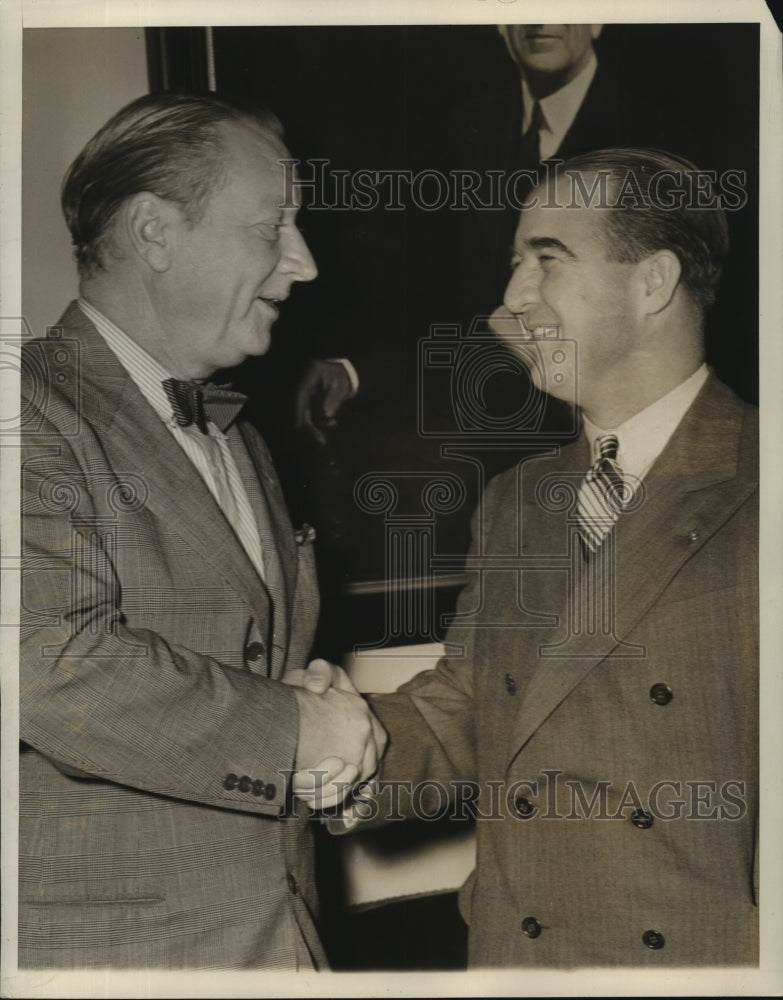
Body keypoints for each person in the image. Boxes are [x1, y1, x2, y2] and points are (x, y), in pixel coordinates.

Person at [328, 148, 758, 967]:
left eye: (546, 261)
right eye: (513, 263)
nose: (512, 298)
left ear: (651, 281)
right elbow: (466, 714)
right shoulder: (518, 498)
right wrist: (319, 744)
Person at [19, 90, 385, 969]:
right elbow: (46, 661)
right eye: (273, 228)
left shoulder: (242, 434)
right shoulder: (23, 409)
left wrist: (318, 735)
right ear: (154, 232)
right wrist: (300, 729)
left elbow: (242, 671)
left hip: (279, 943)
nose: (302, 264)